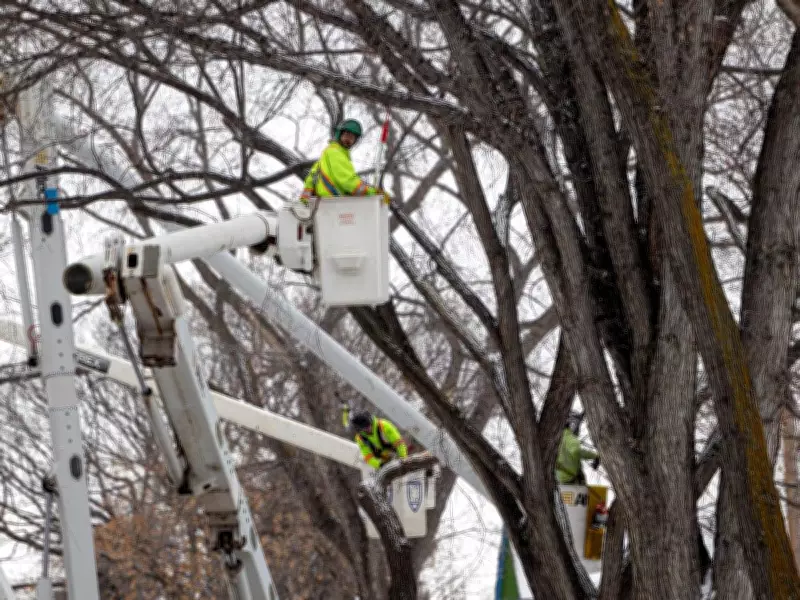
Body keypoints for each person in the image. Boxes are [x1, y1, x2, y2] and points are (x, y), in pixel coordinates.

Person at [299, 119, 390, 205]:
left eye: (352, 138)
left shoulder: (327, 154)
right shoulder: (335, 152)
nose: (349, 139)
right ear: (340, 134)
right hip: (334, 203)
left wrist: (305, 201)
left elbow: (312, 177)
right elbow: (347, 181)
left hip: (325, 205)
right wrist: (373, 193)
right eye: (347, 135)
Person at [555, 413, 600, 485]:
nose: (578, 428)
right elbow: (576, 451)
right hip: (571, 477)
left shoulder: (557, 438)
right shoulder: (569, 436)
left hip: (561, 478)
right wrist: (595, 456)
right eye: (576, 424)